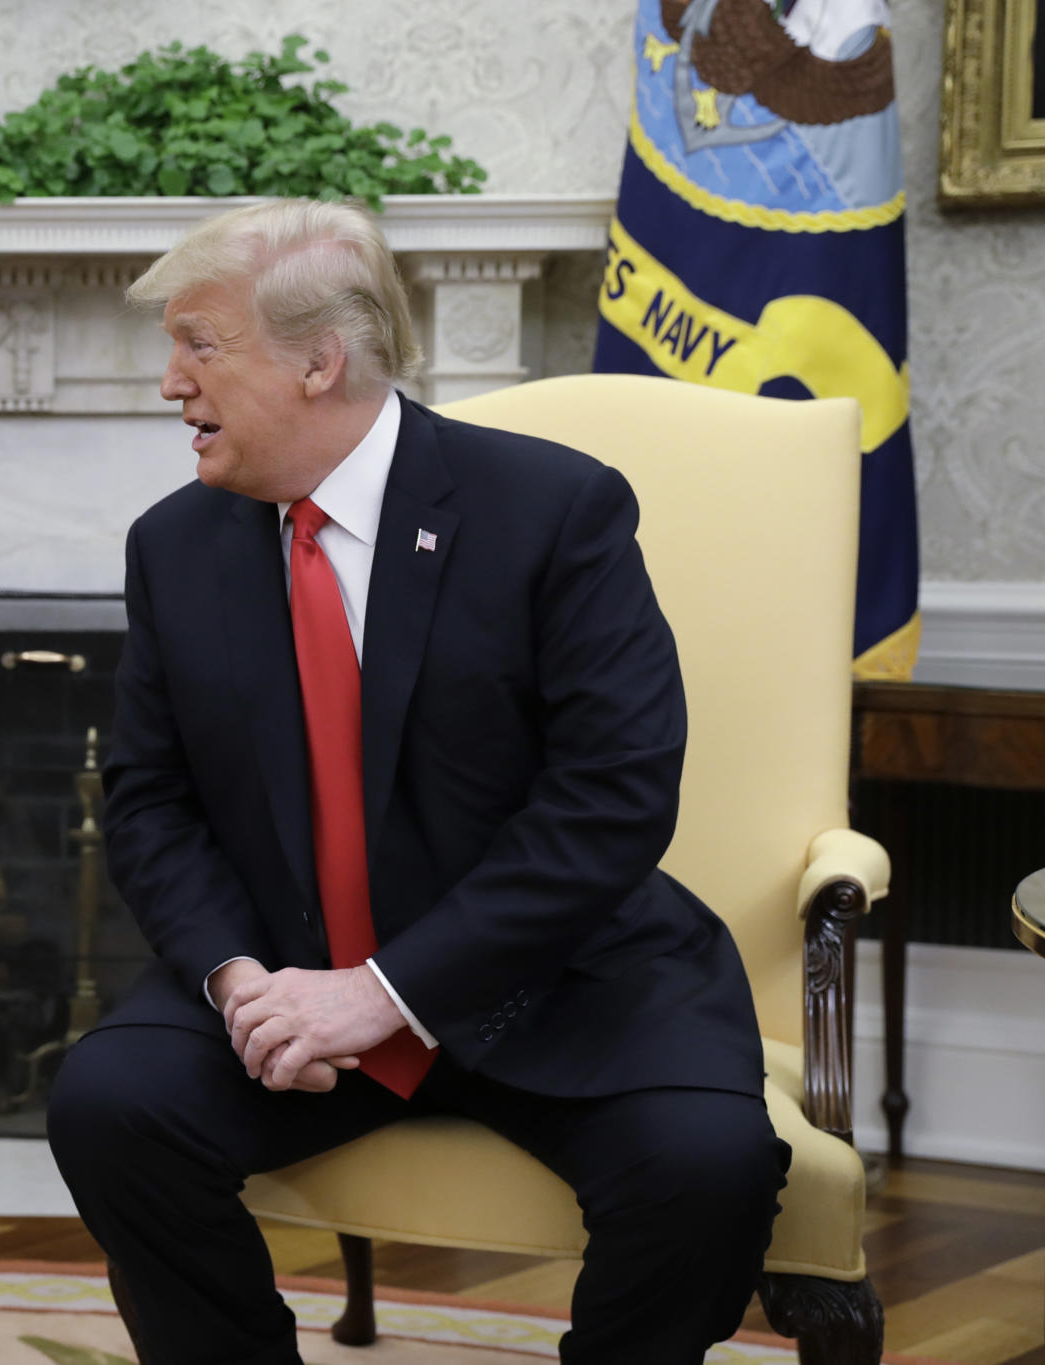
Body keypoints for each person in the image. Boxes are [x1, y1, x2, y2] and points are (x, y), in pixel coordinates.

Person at [46, 201, 789, 1364]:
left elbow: (613, 797)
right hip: (289, 979)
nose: (168, 384)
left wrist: (384, 992)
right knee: (109, 1106)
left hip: (555, 981)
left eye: (197, 344)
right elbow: (149, 798)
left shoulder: (552, 511)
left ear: (316, 362)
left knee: (708, 1172)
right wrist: (239, 979)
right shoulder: (174, 546)